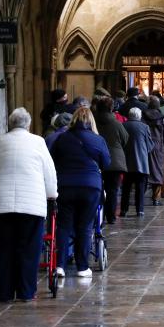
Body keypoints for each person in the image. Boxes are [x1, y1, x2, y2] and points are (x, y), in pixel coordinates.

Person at [0, 108, 57, 302]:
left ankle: (4, 292)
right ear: (29, 124)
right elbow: (49, 173)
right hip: (32, 205)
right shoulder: (38, 142)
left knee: (2, 249)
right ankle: (25, 291)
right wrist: (52, 195)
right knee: (29, 249)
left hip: (1, 205)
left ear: (10, 124)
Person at [50, 106, 110, 278]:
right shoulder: (98, 140)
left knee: (63, 225)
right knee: (85, 226)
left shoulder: (62, 138)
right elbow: (106, 163)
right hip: (90, 187)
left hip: (65, 186)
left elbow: (52, 160)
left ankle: (60, 265)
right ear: (91, 121)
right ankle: (82, 267)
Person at [93, 96, 128, 224]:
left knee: (97, 189)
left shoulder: (93, 123)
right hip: (115, 161)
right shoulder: (117, 123)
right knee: (113, 190)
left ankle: (98, 217)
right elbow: (125, 139)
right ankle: (111, 216)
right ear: (111, 108)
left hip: (96, 160)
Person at [122, 107, 154, 216]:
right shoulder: (144, 127)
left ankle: (124, 209)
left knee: (126, 187)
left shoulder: (123, 125)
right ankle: (139, 210)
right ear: (139, 116)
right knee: (140, 187)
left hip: (126, 162)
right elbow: (150, 145)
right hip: (141, 162)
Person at [143, 96, 164, 205]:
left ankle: (141, 196)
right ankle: (155, 198)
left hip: (145, 145)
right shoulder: (162, 118)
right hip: (158, 146)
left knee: (144, 170)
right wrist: (162, 144)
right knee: (158, 171)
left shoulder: (143, 116)